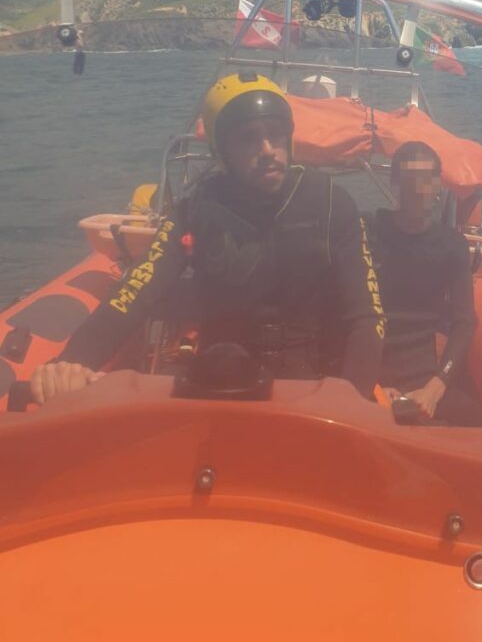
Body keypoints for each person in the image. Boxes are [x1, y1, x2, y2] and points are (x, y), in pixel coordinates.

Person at [30, 74, 386, 404]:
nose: (267, 149)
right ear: (221, 151)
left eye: (275, 134)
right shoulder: (196, 211)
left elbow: (367, 316)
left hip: (314, 392)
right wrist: (71, 363)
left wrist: (351, 398)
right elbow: (133, 294)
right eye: (248, 137)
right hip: (220, 386)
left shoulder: (331, 204)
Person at [369, 141, 482, 426]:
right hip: (371, 369)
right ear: (395, 183)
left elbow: (464, 321)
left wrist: (436, 387)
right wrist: (368, 383)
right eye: (410, 180)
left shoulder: (451, 246)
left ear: (438, 186)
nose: (418, 190)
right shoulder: (368, 233)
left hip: (425, 377)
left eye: (426, 179)